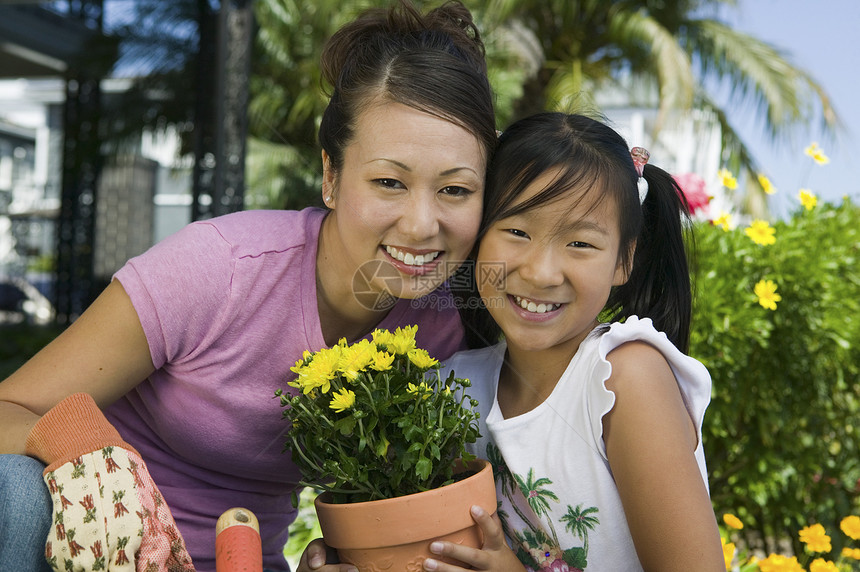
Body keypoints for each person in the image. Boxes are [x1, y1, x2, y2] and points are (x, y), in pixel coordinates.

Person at [0, 1, 497, 570]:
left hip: (246, 560)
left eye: (455, 190)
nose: (421, 224)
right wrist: (84, 444)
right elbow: (7, 407)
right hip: (92, 548)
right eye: (389, 182)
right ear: (331, 176)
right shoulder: (221, 269)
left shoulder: (451, 320)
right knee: (14, 487)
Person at [418, 112, 725, 571]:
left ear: (624, 260)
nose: (541, 272)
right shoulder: (454, 385)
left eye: (580, 244)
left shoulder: (621, 378)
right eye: (517, 232)